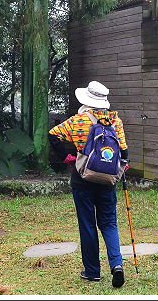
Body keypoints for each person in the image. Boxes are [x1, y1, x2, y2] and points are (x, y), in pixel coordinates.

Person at [48, 81, 129, 288]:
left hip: (82, 178)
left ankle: (92, 271)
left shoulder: (78, 120)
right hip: (107, 180)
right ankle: (117, 265)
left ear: (87, 99)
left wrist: (68, 157)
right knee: (109, 223)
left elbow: (53, 135)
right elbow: (124, 152)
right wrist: (121, 168)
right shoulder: (114, 121)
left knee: (87, 224)